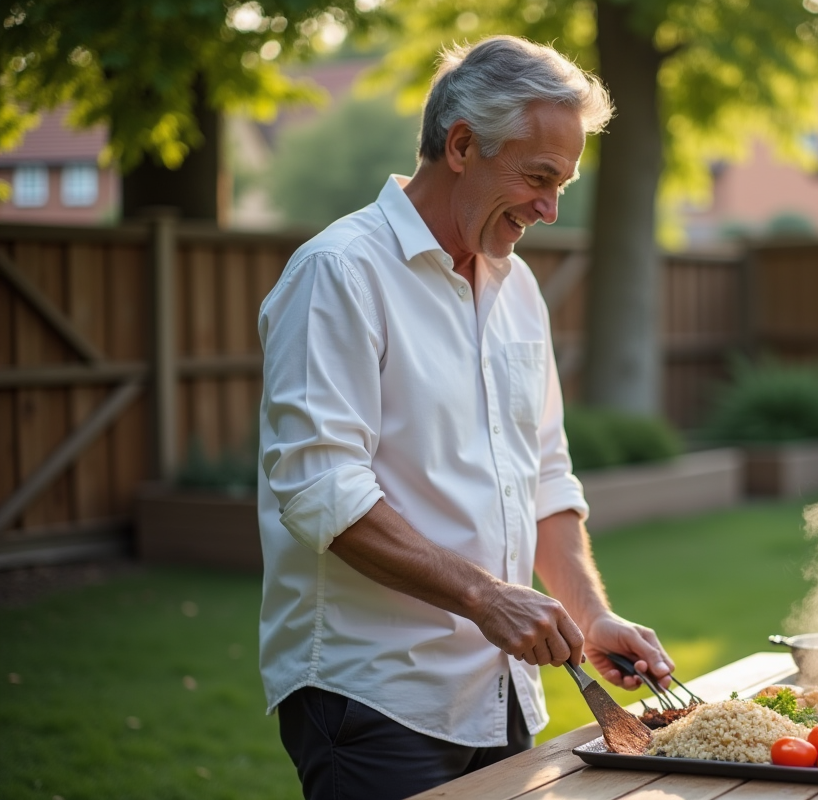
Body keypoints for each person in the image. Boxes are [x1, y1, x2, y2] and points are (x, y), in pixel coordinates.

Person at [256, 35, 675, 800]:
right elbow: (322, 491)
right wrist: (486, 598)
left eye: (564, 185)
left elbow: (545, 479)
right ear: (460, 144)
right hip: (373, 698)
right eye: (538, 177)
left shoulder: (517, 290)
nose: (550, 210)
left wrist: (590, 616)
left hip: (505, 698)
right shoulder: (339, 273)